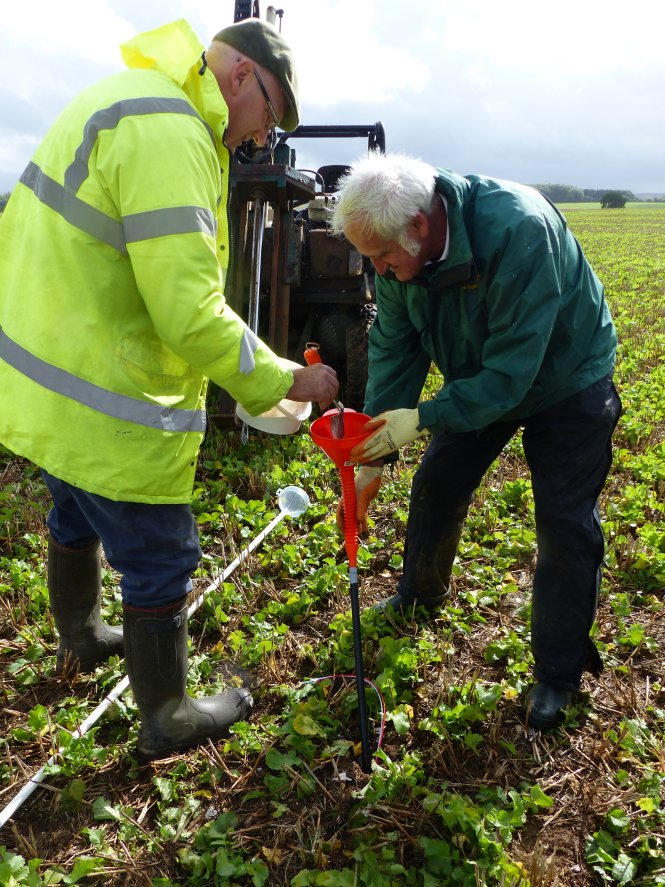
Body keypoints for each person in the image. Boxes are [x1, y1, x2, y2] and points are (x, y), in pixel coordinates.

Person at [0, 17, 338, 760]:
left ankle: (82, 637)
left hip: (50, 379)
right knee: (160, 552)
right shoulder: (175, 133)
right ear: (242, 77)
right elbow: (190, 317)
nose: (260, 139)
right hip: (108, 394)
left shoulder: (124, 96)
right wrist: (287, 378)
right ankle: (168, 716)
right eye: (269, 114)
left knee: (72, 508)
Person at [331, 152, 621, 731]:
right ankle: (420, 593)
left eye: (383, 257)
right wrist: (377, 450)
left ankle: (558, 674)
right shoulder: (394, 254)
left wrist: (425, 417)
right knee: (438, 482)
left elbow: (511, 377)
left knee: (564, 523)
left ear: (418, 226)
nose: (379, 270)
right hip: (480, 376)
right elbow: (394, 345)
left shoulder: (518, 230)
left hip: (565, 378)